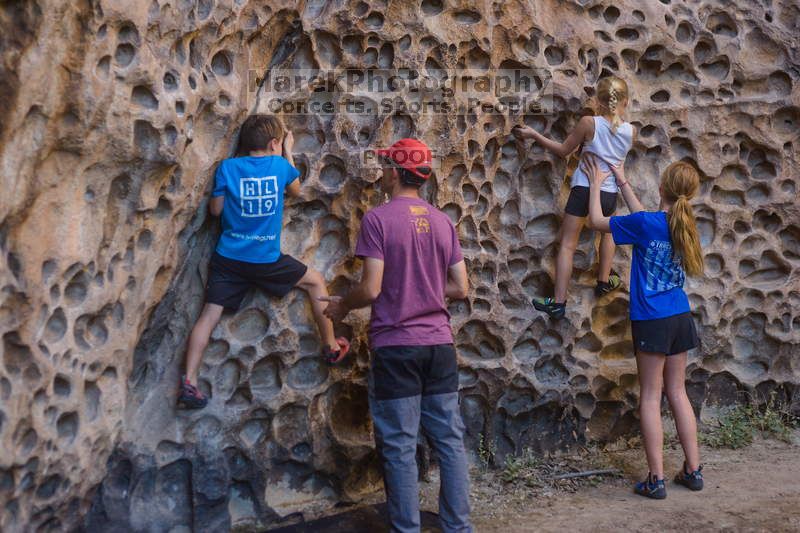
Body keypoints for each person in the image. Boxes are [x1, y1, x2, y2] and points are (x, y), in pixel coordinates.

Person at [321, 138, 472, 532]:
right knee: (450, 442)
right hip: (439, 345)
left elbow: (371, 289)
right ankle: (459, 527)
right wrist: (423, 288)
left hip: (397, 347)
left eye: (385, 165)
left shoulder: (378, 220)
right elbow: (461, 287)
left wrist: (341, 307)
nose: (382, 171)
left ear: (393, 172)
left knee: (401, 447)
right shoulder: (442, 221)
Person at [177, 114, 349, 409]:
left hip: (229, 259)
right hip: (267, 259)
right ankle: (331, 347)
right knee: (315, 281)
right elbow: (296, 191)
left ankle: (188, 382)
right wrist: (288, 152)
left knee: (208, 315)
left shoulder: (228, 168)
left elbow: (216, 211)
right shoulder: (280, 166)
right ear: (274, 144)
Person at [583, 154, 705, 499]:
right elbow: (643, 217)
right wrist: (622, 181)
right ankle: (693, 470)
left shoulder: (646, 224)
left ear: (662, 187)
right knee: (677, 392)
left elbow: (596, 221)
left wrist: (596, 185)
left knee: (651, 396)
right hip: (680, 315)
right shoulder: (685, 224)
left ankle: (656, 479)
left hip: (652, 319)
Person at [513, 75, 635, 319]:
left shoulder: (589, 123)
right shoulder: (631, 131)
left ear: (598, 101)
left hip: (583, 188)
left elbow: (562, 151)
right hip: (609, 191)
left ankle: (559, 302)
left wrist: (534, 135)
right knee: (609, 231)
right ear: (626, 101)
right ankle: (603, 280)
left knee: (568, 244)